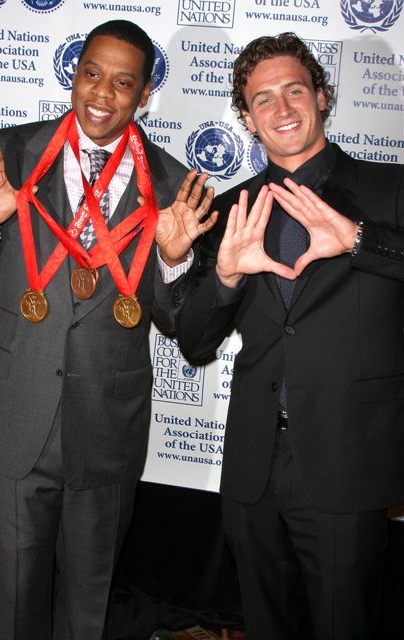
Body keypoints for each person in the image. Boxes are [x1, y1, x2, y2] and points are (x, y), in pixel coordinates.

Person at [0, 19, 214, 640]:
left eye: (123, 82)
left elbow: (180, 324)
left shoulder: (171, 184)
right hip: (15, 413)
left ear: (145, 94)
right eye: (91, 74)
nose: (102, 94)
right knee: (12, 605)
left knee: (89, 607)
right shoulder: (9, 155)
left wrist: (174, 263)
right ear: (74, 74)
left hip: (108, 423)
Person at [173, 32, 404, 640]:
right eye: (263, 99)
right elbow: (194, 342)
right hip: (252, 465)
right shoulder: (228, 211)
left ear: (322, 96)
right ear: (247, 120)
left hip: (347, 460)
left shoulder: (390, 189)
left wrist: (359, 241)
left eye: (294, 91)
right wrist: (225, 278)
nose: (281, 108)